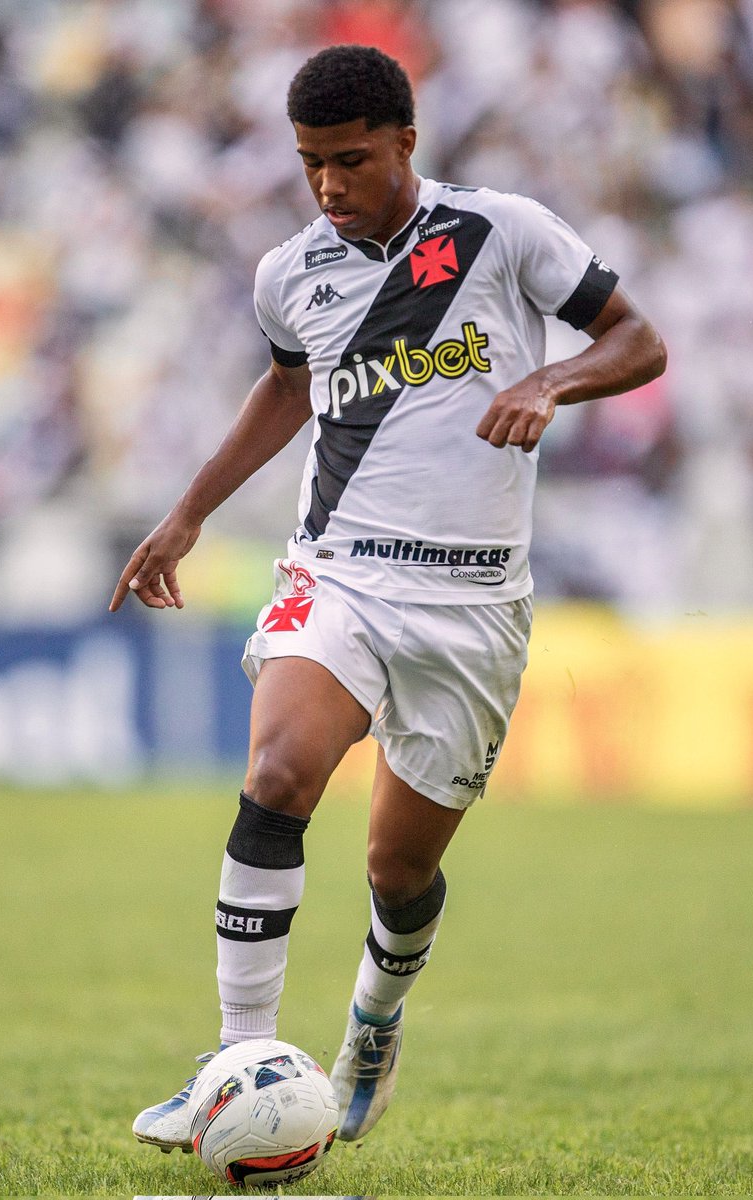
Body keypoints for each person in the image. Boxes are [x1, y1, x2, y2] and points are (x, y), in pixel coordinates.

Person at [110, 43, 667, 1150]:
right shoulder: (289, 274)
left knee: (398, 871)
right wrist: (188, 513)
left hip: (474, 605)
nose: (328, 184)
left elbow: (639, 340)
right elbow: (287, 389)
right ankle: (235, 1062)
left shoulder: (502, 231)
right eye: (309, 163)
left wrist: (549, 379)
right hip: (343, 572)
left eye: (351, 160)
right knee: (278, 773)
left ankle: (373, 1021)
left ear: (406, 142)